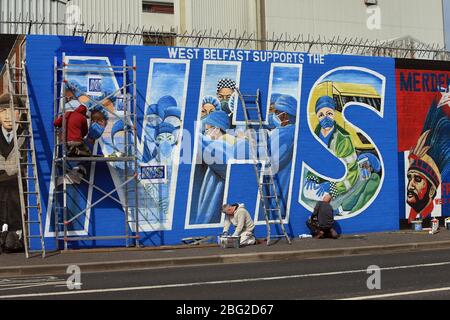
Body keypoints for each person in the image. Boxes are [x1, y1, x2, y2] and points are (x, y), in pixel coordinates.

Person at [307, 96, 359, 199]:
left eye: (329, 113)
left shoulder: (343, 140)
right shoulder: (315, 137)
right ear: (317, 117)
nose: (325, 118)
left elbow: (352, 172)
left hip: (337, 187)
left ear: (334, 114)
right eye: (321, 115)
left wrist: (333, 188)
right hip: (318, 187)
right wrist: (311, 177)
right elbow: (313, 162)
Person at [0, 94, 26, 236]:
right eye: (3, 111)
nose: (8, 115)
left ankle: (17, 235)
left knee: (17, 206)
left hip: (19, 182)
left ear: (20, 113)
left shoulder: (27, 134)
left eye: (13, 109)